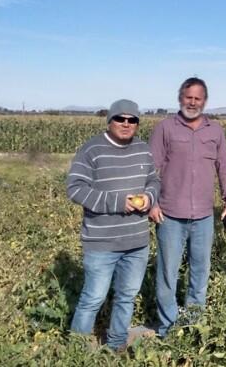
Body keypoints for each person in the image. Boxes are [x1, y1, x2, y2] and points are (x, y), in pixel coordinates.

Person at [67, 99, 160, 351]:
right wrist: (118, 202)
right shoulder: (92, 150)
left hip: (137, 242)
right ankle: (77, 351)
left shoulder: (142, 148)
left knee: (126, 297)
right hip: (101, 243)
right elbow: (75, 188)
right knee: (93, 298)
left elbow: (153, 180)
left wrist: (150, 198)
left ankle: (117, 344)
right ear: (110, 120)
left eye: (133, 120)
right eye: (120, 118)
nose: (126, 124)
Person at [149, 77, 226, 336]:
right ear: (180, 98)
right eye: (189, 97)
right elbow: (149, 170)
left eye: (198, 98)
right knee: (168, 274)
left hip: (203, 218)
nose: (193, 102)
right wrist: (151, 203)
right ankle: (168, 329)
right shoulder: (165, 129)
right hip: (170, 216)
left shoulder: (215, 131)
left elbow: (225, 169)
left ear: (205, 101)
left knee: (199, 273)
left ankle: (190, 326)